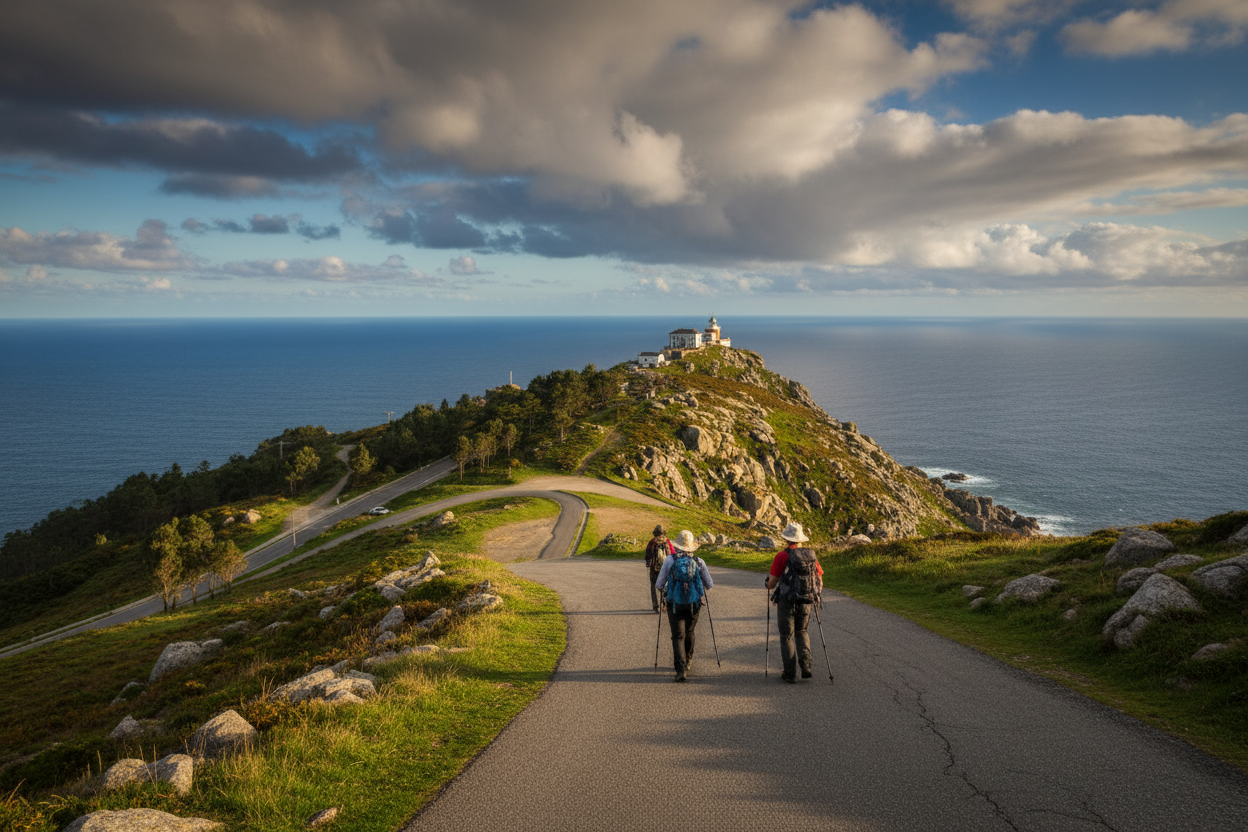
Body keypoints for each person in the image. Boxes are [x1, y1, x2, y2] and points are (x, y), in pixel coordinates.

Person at [766, 522, 823, 683]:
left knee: (786, 636)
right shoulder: (811, 555)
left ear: (786, 539)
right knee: (802, 632)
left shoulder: (782, 556)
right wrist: (814, 593)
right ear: (800, 540)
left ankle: (790, 673)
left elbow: (771, 583)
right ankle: (806, 667)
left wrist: (767, 584)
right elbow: (819, 579)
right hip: (806, 600)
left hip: (787, 602)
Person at [654, 530, 713, 682]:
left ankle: (680, 670)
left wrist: (667, 588)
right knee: (689, 631)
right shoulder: (699, 561)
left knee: (677, 635)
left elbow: (659, 584)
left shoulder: (670, 560)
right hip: (694, 603)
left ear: (678, 545)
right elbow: (709, 584)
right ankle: (688, 661)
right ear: (692, 546)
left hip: (675, 603)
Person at [644, 525, 673, 613]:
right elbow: (672, 553)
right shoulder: (667, 541)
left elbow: (647, 555)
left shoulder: (652, 542)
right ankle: (664, 605)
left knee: (653, 586)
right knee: (665, 586)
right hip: (665, 568)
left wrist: (648, 563)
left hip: (654, 568)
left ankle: (655, 606)